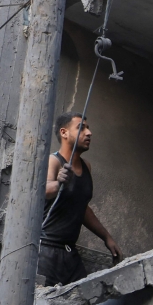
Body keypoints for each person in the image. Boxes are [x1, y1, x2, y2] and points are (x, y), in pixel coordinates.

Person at [38, 113, 123, 287]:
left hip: (70, 254)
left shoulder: (87, 167)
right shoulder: (54, 161)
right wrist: (58, 183)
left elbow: (82, 208)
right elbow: (43, 191)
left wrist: (107, 237)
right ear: (64, 133)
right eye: (81, 127)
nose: (89, 132)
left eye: (88, 127)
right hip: (45, 251)